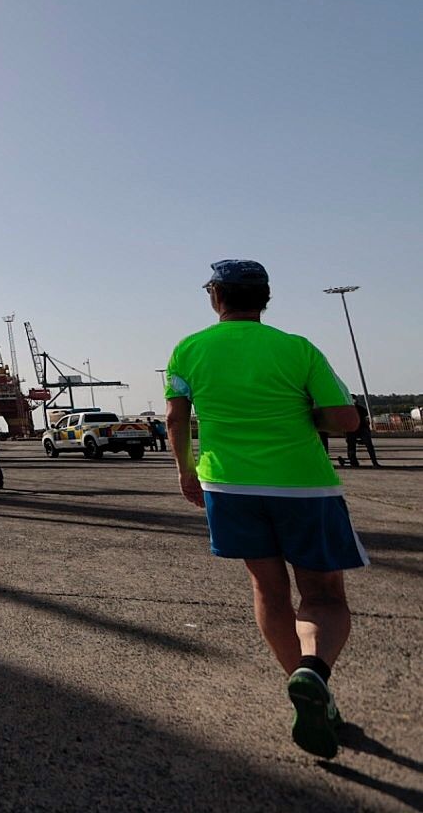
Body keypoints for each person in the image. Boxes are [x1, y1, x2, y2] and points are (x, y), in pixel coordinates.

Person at [165, 259, 365, 759]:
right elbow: (345, 420)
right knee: (323, 596)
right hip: (303, 485)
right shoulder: (296, 348)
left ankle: (309, 691)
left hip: (228, 485)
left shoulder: (187, 350)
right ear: (265, 298)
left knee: (268, 589)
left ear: (215, 296)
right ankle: (314, 675)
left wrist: (187, 473)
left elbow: (175, 419)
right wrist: (304, 411)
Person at [344, 400, 380, 468]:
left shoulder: (348, 409)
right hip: (356, 429)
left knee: (353, 446)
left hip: (358, 429)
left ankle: (354, 462)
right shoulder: (359, 408)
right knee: (355, 446)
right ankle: (355, 462)